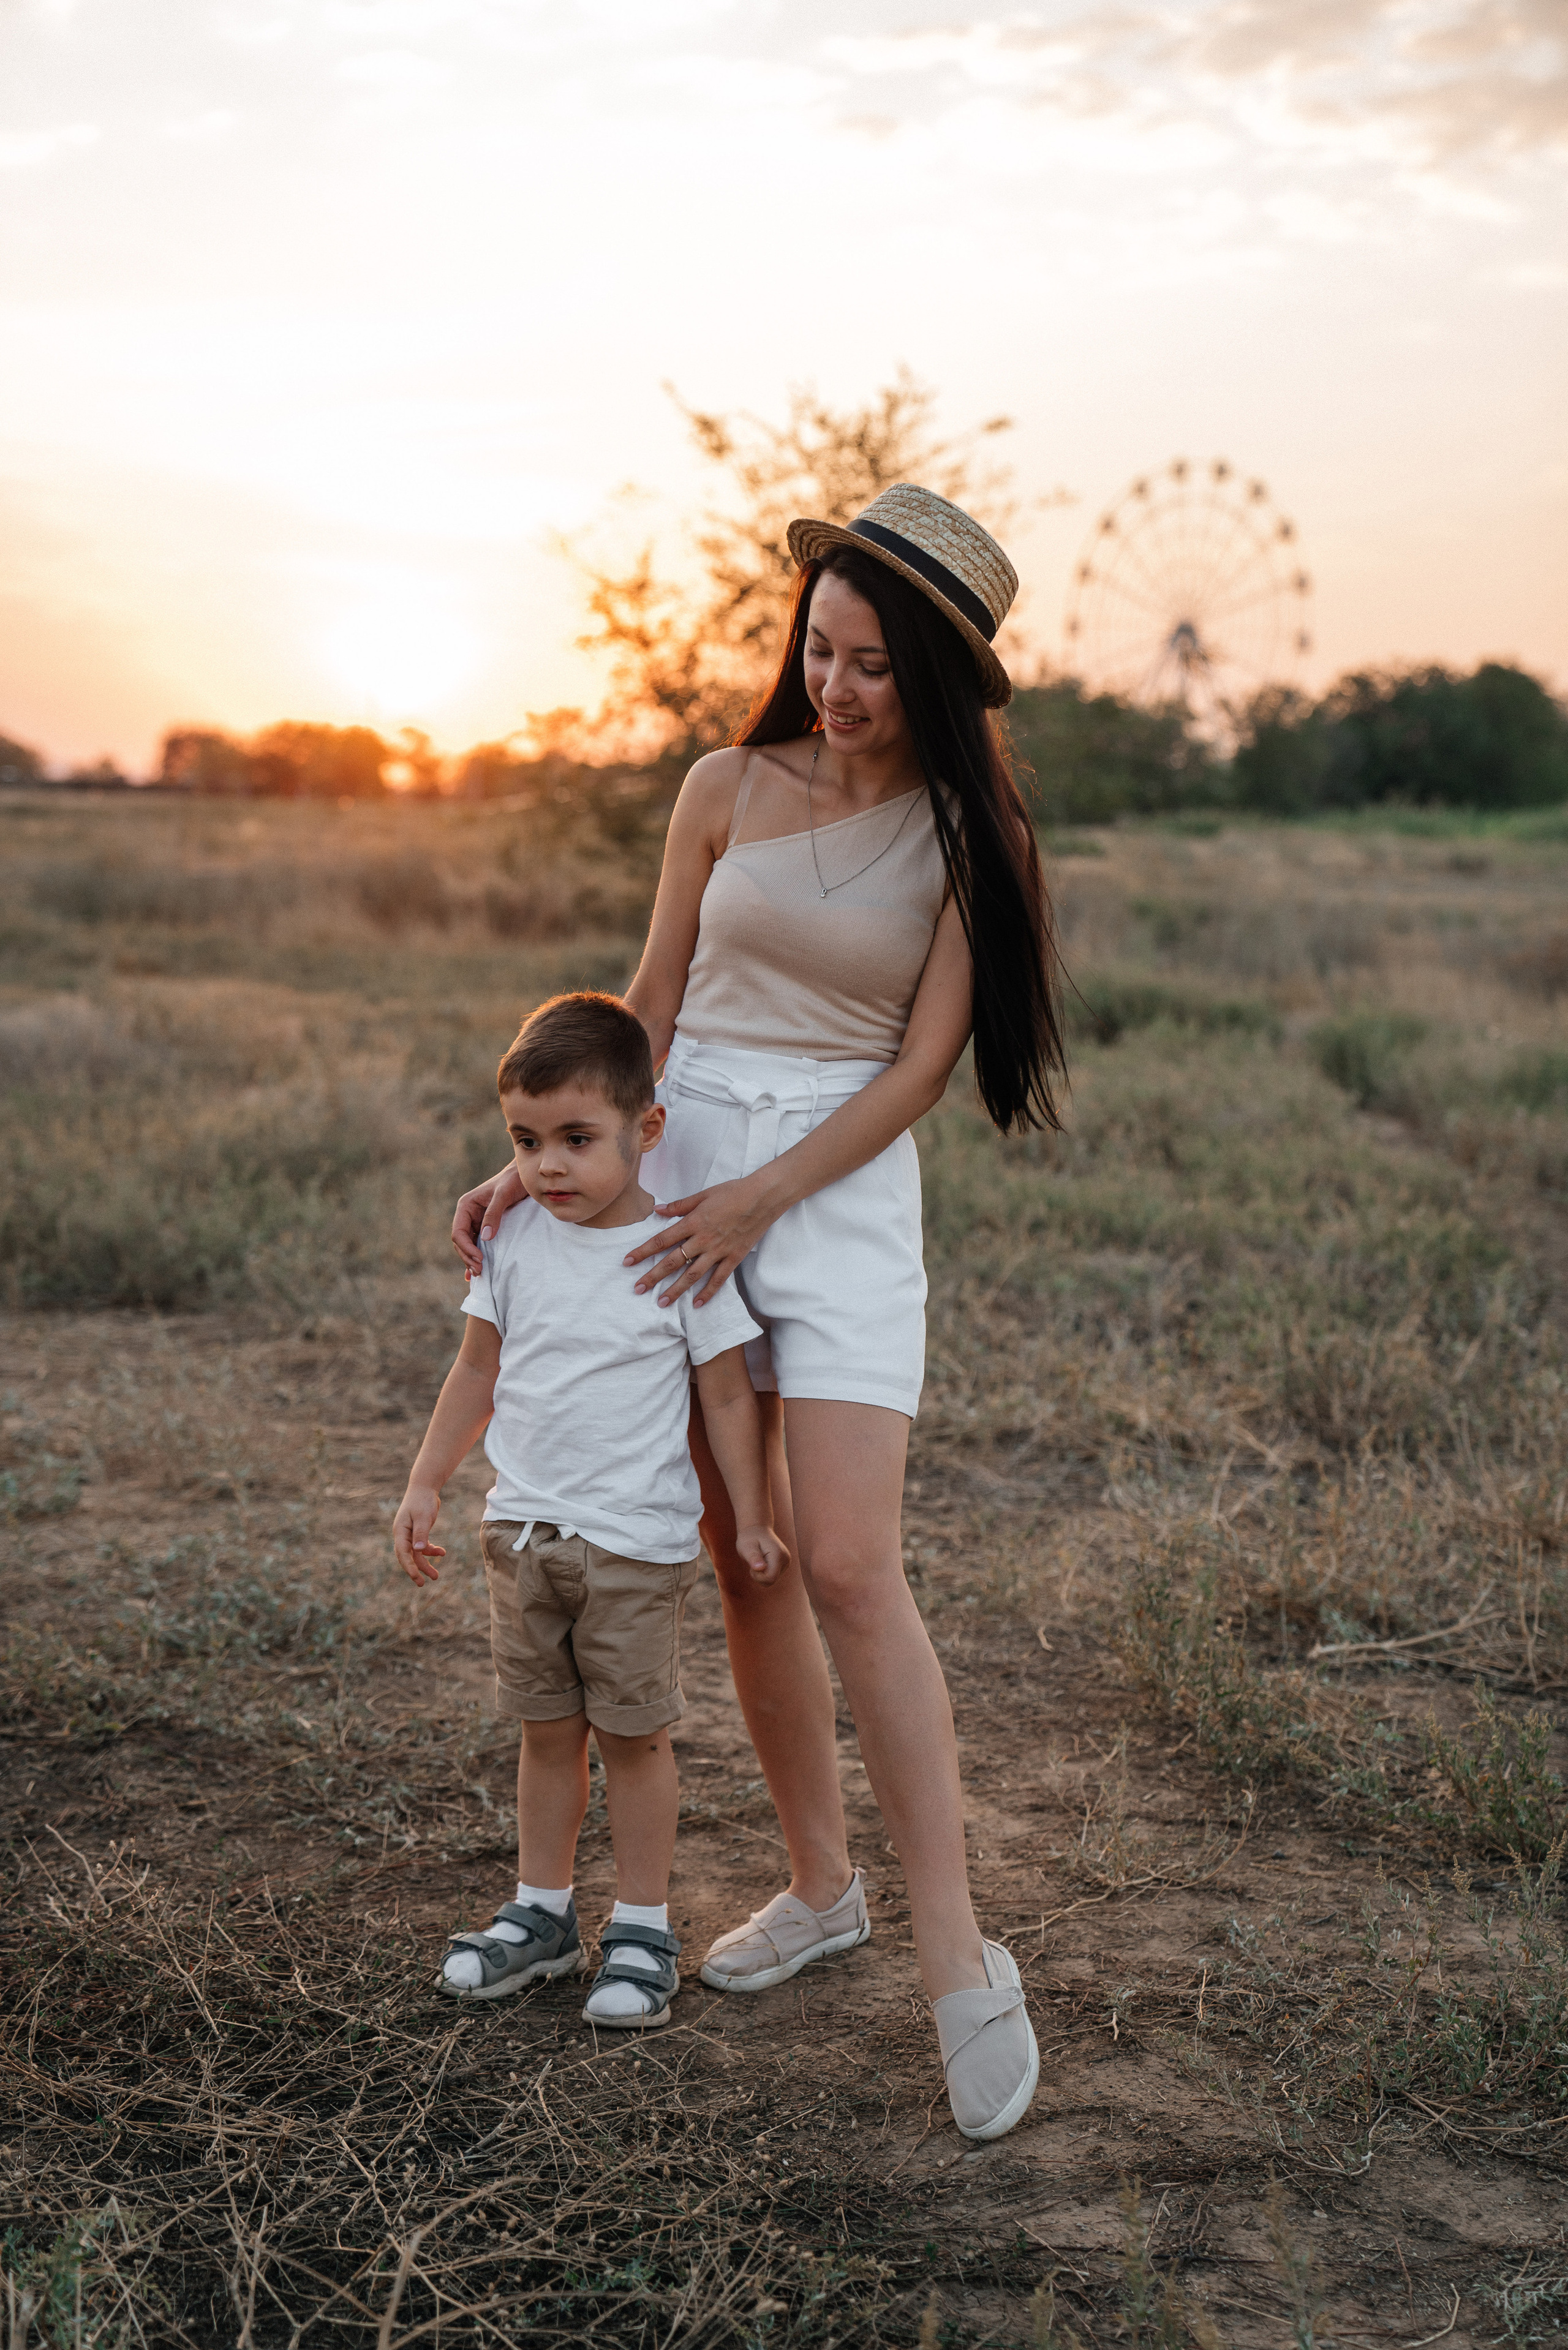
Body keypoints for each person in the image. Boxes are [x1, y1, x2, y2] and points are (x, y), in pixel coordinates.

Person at [452, 484, 1066, 2137]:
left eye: (874, 663)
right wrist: (549, 1162)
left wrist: (764, 1203)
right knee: (740, 1550)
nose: (841, 684)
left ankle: (957, 1955)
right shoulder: (725, 785)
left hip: (837, 1193)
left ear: (934, 679)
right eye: (822, 649)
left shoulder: (971, 836)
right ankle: (820, 1884)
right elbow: (649, 1001)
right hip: (687, 1156)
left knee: (854, 1558)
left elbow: (925, 1068)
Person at [396, 991, 788, 2029]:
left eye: (578, 1139)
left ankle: (645, 1927)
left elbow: (728, 1392)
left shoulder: (677, 1255)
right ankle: (541, 1914)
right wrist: (428, 1478)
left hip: (633, 1545)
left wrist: (748, 1512)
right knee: (544, 1732)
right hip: (521, 1533)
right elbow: (476, 1368)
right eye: (526, 1142)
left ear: (645, 1130)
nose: (549, 1166)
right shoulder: (514, 1243)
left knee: (633, 1740)